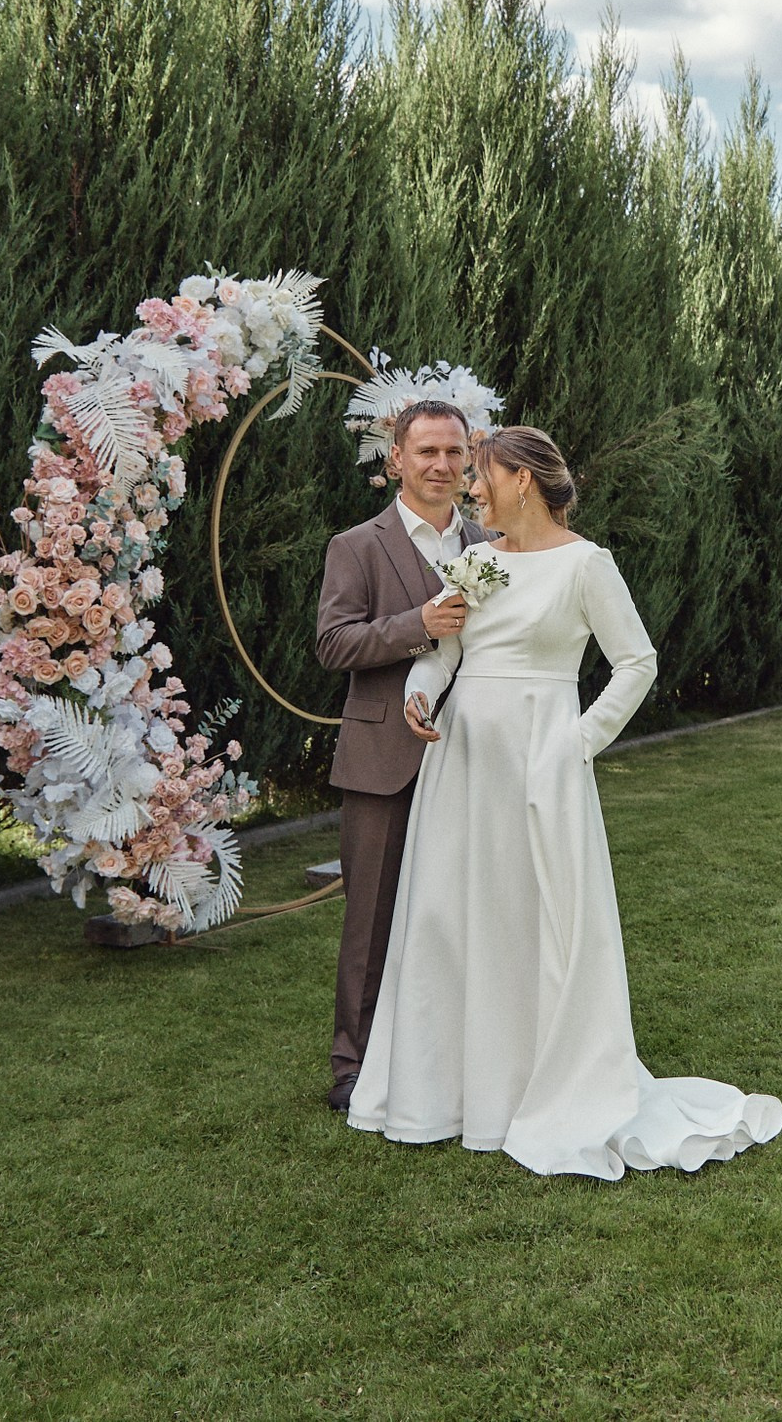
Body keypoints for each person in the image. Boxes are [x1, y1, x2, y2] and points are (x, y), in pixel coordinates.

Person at [346, 425, 782, 1178]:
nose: (472, 488)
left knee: (531, 917)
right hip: (464, 761)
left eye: (482, 475)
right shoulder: (476, 562)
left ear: (522, 479)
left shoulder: (588, 565)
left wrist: (578, 741)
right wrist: (421, 696)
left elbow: (636, 661)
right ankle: (442, 1093)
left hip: (542, 760)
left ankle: (531, 1084)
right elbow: (444, 651)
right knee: (450, 916)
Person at [312, 400, 489, 1113]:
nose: (442, 465)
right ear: (397, 459)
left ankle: (454, 1052)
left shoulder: (491, 541)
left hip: (474, 754)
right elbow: (334, 643)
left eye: (454, 453)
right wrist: (415, 626)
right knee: (372, 918)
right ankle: (353, 1064)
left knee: (463, 909)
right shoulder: (356, 545)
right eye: (427, 453)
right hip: (382, 756)